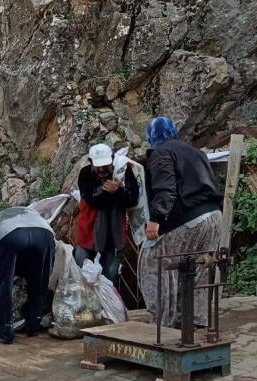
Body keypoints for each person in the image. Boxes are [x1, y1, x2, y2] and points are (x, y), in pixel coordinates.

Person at [138, 117, 223, 328]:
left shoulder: (161, 153)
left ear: (151, 136)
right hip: (213, 216)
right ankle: (195, 319)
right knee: (198, 266)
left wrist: (156, 219)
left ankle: (162, 321)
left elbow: (165, 188)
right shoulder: (196, 152)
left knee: (155, 262)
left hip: (188, 218)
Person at [0, 206, 56, 345]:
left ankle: (4, 331)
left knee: (1, 284)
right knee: (39, 281)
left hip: (9, 236)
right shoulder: (34, 216)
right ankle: (33, 324)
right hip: (44, 235)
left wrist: (2, 276)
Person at [74, 142, 139, 284]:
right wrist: (111, 193)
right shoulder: (85, 174)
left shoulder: (123, 171)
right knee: (80, 276)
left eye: (106, 165)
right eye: (98, 167)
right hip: (88, 233)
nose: (102, 169)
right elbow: (93, 201)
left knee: (110, 277)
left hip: (113, 235)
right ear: (91, 164)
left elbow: (132, 199)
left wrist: (117, 191)